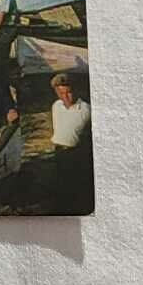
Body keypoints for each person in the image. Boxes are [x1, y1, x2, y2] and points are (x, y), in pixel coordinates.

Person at [49, 73, 94, 214]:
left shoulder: (86, 110)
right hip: (58, 152)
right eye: (61, 93)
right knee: (59, 188)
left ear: (75, 90)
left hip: (75, 155)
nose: (65, 97)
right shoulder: (56, 106)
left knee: (75, 191)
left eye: (68, 92)